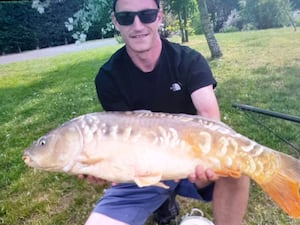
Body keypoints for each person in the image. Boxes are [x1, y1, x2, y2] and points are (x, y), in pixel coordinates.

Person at [84, 0, 250, 224]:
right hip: (141, 166)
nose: (137, 25)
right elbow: (122, 140)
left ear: (159, 17)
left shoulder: (190, 61)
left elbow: (210, 120)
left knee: (237, 170)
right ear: (115, 22)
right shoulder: (108, 77)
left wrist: (203, 168)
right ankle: (163, 201)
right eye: (126, 18)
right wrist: (104, 166)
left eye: (147, 15)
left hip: (193, 159)